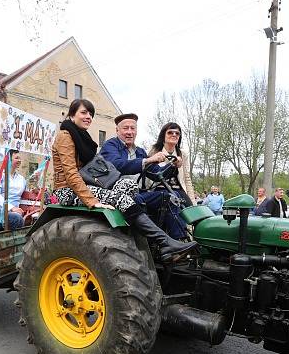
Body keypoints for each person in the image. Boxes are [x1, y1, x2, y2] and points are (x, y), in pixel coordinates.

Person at [53, 99, 196, 262]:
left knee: (135, 188)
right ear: (72, 114)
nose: (88, 117)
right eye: (83, 113)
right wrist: (91, 200)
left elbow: (157, 174)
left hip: (86, 186)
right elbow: (71, 173)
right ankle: (163, 241)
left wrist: (173, 165)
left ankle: (170, 243)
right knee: (121, 198)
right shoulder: (66, 136)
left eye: (90, 114)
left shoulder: (83, 138)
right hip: (67, 191)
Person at [140, 122, 196, 239]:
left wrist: (192, 199)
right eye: (170, 132)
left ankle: (194, 241)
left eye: (177, 133)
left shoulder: (182, 154)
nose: (174, 135)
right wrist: (170, 164)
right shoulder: (153, 151)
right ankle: (178, 239)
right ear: (163, 135)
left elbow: (187, 179)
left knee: (195, 214)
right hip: (159, 189)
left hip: (178, 189)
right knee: (172, 202)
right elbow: (151, 174)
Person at [0, 149, 26, 217]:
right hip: (0, 211)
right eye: (16, 158)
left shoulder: (22, 179)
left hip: (18, 212)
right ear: (8, 159)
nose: (19, 160)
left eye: (20, 158)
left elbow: (25, 196)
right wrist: (11, 208)